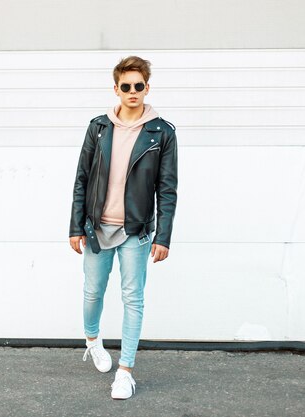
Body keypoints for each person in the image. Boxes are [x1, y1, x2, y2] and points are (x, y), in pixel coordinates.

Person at [68, 56, 178, 400]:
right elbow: (82, 179)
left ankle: (125, 371)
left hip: (137, 230)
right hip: (97, 227)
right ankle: (92, 340)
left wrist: (163, 235)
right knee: (92, 293)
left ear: (147, 87)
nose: (133, 92)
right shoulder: (98, 127)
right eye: (126, 86)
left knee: (133, 299)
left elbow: (167, 187)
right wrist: (75, 225)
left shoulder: (162, 132)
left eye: (139, 85)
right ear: (116, 89)